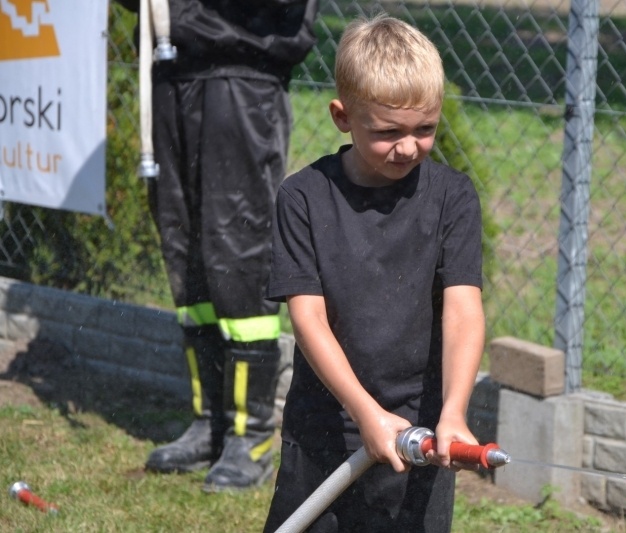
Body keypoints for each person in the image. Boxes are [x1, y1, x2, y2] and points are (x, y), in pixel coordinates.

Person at [262, 14, 486, 532]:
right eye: (388, 132)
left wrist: (453, 412)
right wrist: (364, 413)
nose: (408, 147)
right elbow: (308, 318)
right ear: (343, 116)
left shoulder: (453, 197)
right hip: (327, 429)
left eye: (425, 129)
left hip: (422, 431)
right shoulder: (303, 197)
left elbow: (462, 310)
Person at [115, 0, 318, 491]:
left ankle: (252, 434)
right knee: (185, 253)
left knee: (239, 252)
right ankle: (211, 423)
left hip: (241, 76)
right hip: (169, 71)